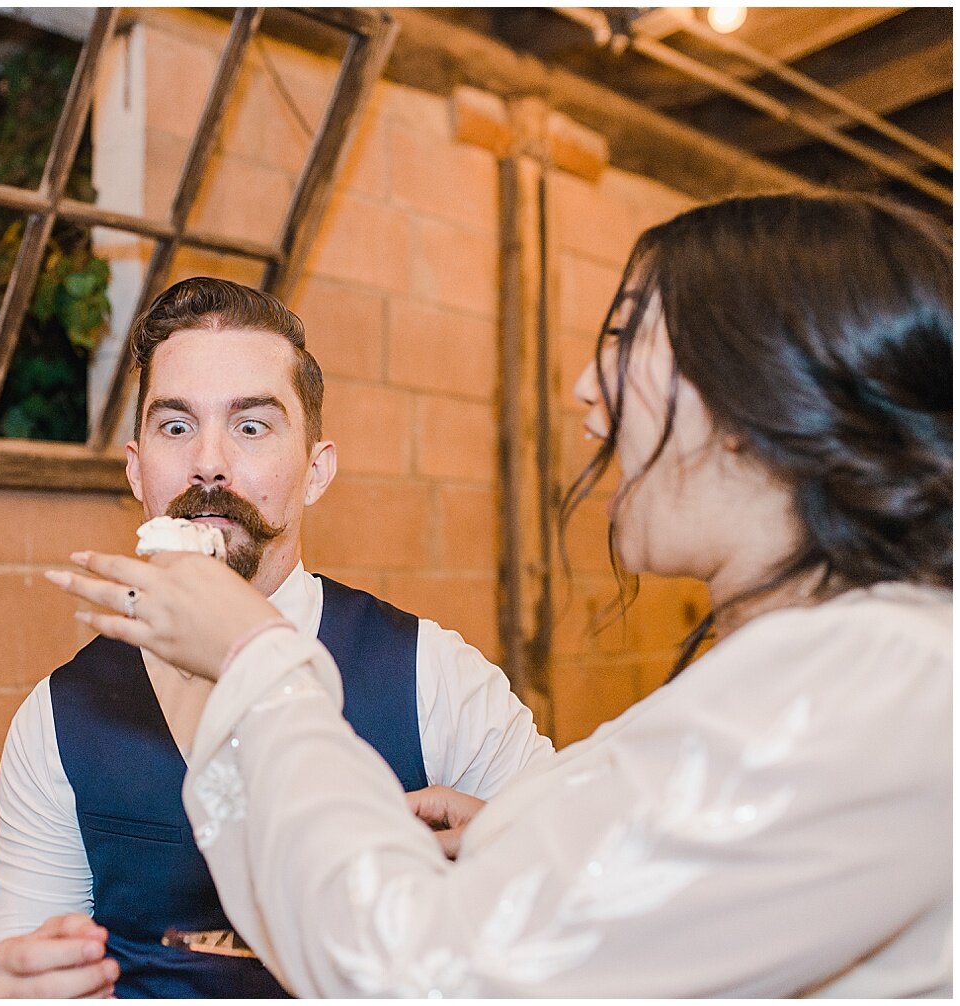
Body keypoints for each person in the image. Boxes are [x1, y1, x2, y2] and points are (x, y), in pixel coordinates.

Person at [54, 192, 952, 996]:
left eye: (632, 340)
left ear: (768, 401)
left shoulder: (868, 692)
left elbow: (422, 974)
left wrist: (257, 665)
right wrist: (519, 838)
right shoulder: (843, 667)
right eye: (177, 424)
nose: (584, 389)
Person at [0, 278, 552, 997]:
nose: (208, 463)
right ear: (135, 468)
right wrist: (9, 993)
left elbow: (580, 923)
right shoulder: (59, 718)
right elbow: (6, 967)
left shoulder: (437, 678)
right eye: (176, 427)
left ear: (315, 469)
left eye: (251, 426)